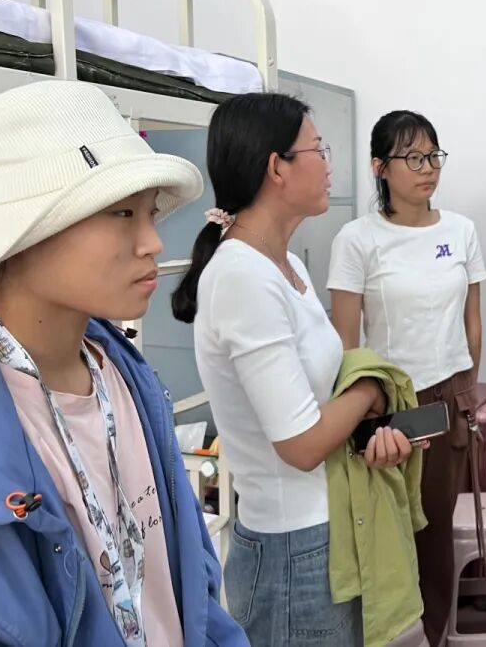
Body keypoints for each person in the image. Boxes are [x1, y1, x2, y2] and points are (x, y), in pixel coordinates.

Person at [0, 81, 247, 646]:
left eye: (149, 213)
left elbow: (190, 582)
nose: (153, 243)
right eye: (121, 213)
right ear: (21, 235)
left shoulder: (128, 376)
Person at [171, 93, 412, 647]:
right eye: (318, 150)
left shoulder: (283, 265)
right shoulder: (243, 277)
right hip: (292, 552)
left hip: (322, 532)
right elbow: (301, 445)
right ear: (276, 167)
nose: (328, 165)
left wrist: (368, 426)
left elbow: (316, 403)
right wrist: (370, 389)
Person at [329, 109, 486, 647]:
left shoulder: (461, 230)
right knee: (388, 532)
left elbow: (472, 320)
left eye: (433, 156)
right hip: (389, 402)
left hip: (448, 396)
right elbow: (345, 343)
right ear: (380, 167)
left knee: (435, 533)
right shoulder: (357, 239)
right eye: (413, 158)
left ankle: (433, 635)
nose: (428, 168)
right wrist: (362, 416)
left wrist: (467, 386)